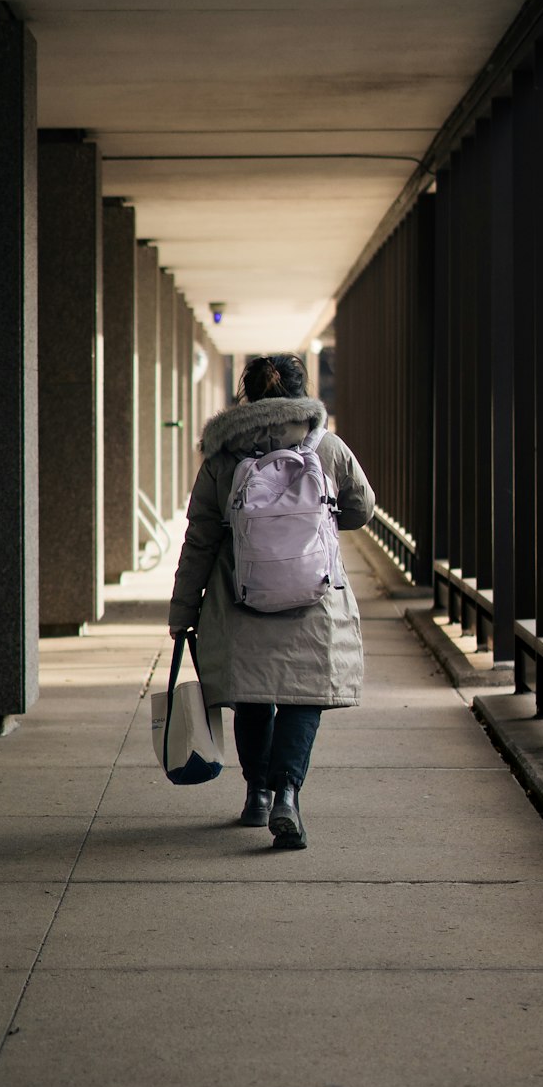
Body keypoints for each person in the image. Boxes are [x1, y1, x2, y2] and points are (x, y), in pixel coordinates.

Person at [168, 353, 375, 849]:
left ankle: (257, 793)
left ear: (248, 396)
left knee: (253, 697)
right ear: (301, 394)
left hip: (239, 596)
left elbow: (199, 539)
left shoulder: (222, 457)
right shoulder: (327, 447)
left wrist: (183, 610)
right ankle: (287, 791)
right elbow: (362, 508)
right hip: (314, 593)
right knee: (305, 696)